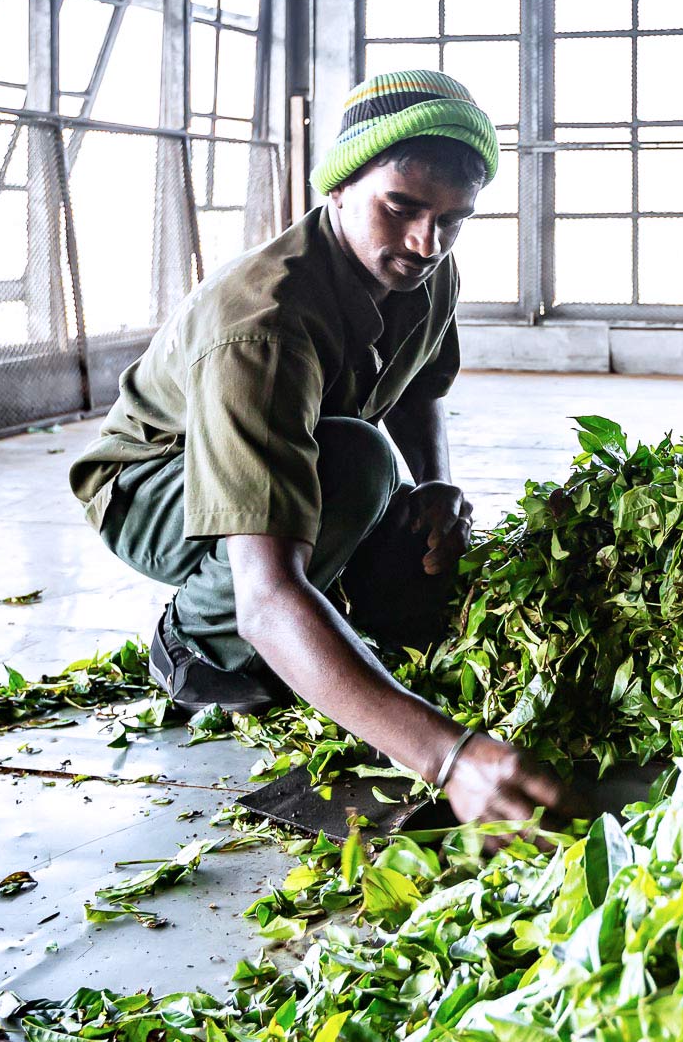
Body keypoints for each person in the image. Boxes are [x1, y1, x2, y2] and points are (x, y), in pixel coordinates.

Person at [68, 69, 574, 828]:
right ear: (338, 189)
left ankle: (342, 611)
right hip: (155, 483)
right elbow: (268, 596)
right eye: (400, 207)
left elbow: (419, 389)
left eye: (453, 219)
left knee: (412, 552)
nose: (426, 241)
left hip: (305, 448)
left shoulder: (424, 268)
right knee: (356, 468)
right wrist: (451, 758)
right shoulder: (263, 326)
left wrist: (438, 488)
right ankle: (193, 651)